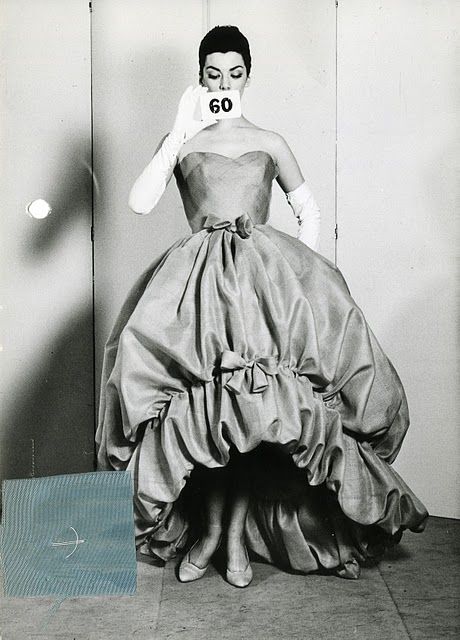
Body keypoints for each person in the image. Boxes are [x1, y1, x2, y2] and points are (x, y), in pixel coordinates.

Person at [96, 26, 427, 589]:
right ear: (200, 79)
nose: (223, 83)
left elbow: (309, 212)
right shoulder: (184, 141)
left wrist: (295, 272)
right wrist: (178, 130)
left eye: (234, 73)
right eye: (213, 74)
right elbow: (139, 201)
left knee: (259, 410)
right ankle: (211, 535)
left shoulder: (270, 140)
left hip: (261, 291)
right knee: (214, 411)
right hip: (200, 292)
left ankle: (229, 537)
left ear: (247, 77)